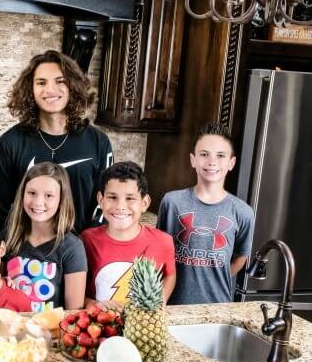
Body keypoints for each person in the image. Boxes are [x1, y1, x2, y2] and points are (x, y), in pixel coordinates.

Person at [0, 49, 113, 234]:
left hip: (82, 252)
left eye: (60, 81)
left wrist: (84, 248)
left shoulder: (98, 142)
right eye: (41, 82)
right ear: (30, 89)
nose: (50, 90)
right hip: (25, 255)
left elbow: (105, 204)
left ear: (73, 86)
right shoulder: (10, 143)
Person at [157, 123, 254, 304]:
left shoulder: (243, 212)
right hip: (171, 304)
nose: (212, 162)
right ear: (193, 160)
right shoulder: (172, 202)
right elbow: (159, 251)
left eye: (220, 155)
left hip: (217, 305)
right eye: (204, 154)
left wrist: (214, 276)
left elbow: (241, 255)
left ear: (231, 163)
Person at [81, 161, 177, 310]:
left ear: (144, 203)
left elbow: (170, 274)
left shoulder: (163, 241)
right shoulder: (87, 240)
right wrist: (92, 304)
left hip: (143, 326)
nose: (120, 206)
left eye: (130, 198)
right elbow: (77, 289)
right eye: (112, 197)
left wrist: (160, 300)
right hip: (100, 326)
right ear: (101, 200)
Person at [4, 162, 87, 313]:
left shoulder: (72, 247)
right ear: (22, 193)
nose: (38, 202)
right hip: (10, 329)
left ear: (61, 200)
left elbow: (74, 312)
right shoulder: (10, 236)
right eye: (32, 193)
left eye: (49, 195)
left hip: (50, 333)